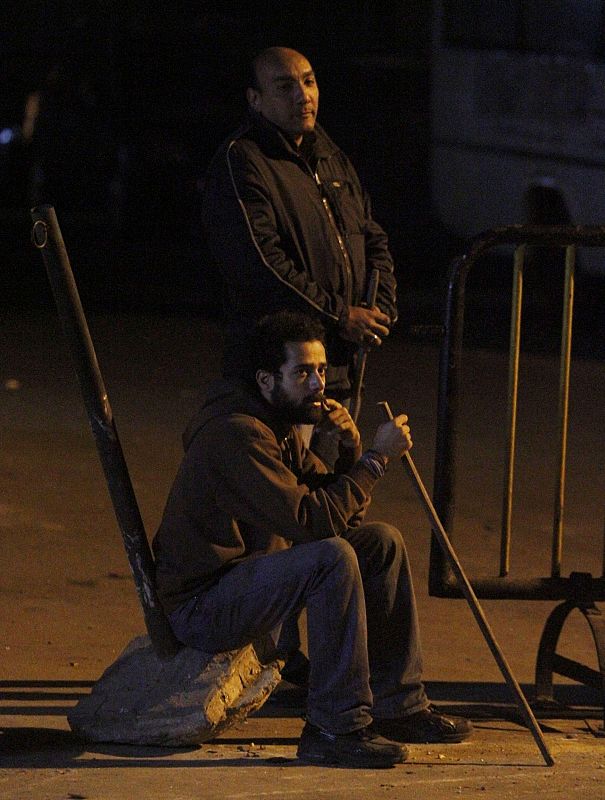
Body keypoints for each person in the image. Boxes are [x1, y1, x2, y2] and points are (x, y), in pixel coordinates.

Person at [152, 311, 472, 769]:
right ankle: (333, 727)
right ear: (266, 379)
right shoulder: (238, 433)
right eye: (302, 372)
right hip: (204, 604)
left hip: (248, 582)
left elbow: (342, 515)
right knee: (331, 559)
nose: (319, 384)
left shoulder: (275, 423)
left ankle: (396, 706)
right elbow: (316, 524)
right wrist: (378, 460)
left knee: (381, 543)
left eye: (321, 370)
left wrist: (349, 450)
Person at [202, 46, 397, 403]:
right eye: (285, 87)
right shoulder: (243, 161)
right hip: (279, 373)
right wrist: (340, 315)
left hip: (338, 366)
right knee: (284, 459)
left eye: (308, 82)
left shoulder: (329, 155)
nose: (303, 96)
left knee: (337, 458)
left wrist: (379, 309)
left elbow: (371, 235)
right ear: (255, 99)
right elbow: (261, 266)